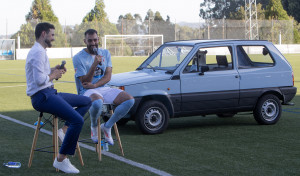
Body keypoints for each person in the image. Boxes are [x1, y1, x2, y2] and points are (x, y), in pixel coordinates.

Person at [25, 22, 91, 174]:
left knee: (86, 101)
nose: (53, 38)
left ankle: (64, 130)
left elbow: (42, 73)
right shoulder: (37, 52)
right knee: (78, 120)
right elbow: (39, 80)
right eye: (52, 35)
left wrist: (54, 69)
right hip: (42, 97)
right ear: (43, 34)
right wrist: (53, 75)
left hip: (49, 93)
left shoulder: (40, 51)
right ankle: (61, 159)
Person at [71, 28, 135, 145]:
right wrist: (94, 65)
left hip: (102, 87)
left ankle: (107, 126)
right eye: (90, 41)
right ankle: (94, 126)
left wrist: (95, 84)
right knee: (97, 102)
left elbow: (108, 76)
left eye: (95, 40)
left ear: (98, 39)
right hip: (86, 90)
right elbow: (85, 81)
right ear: (85, 41)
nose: (93, 43)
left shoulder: (105, 53)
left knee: (129, 100)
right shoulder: (78, 57)